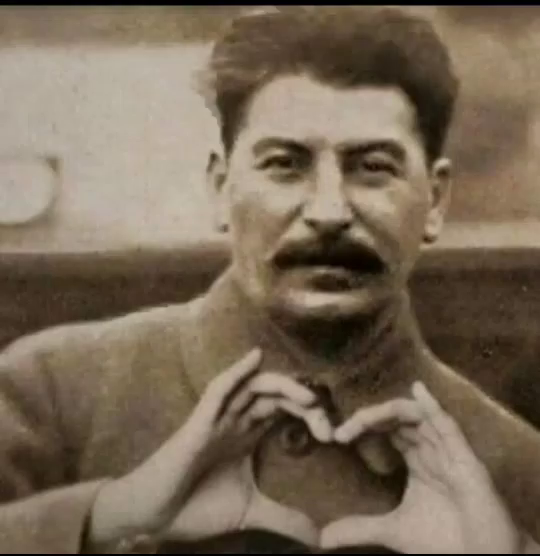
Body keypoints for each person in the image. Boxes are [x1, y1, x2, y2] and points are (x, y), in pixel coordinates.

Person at [0, 6, 539, 554]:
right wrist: (107, 516)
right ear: (220, 188)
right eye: (285, 164)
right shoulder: (49, 396)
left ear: (436, 202)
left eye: (373, 167)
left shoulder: (515, 470)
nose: (329, 211)